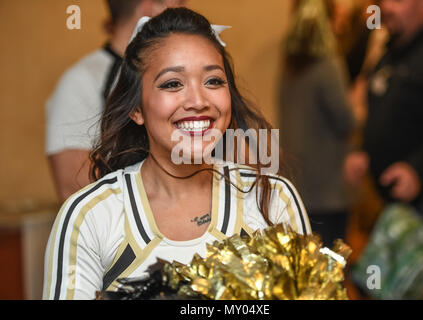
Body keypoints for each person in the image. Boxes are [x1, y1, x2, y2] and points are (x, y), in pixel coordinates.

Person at [43, 7, 311, 300]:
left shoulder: (271, 197)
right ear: (136, 108)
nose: (198, 101)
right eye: (172, 84)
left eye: (213, 81)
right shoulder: (90, 216)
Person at [344, 0, 423, 299]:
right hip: (393, 205)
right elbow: (383, 111)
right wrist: (362, 151)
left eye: (399, 0)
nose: (387, 8)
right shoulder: (392, 51)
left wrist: (418, 168)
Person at [46, 0, 185, 203]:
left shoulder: (190, 75)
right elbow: (72, 188)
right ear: (149, 7)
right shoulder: (84, 79)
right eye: (180, 3)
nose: (186, 13)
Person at [279, 0, 355, 248]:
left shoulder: (290, 64)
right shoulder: (328, 65)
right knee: (330, 267)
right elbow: (345, 121)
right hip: (327, 188)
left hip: (298, 182)